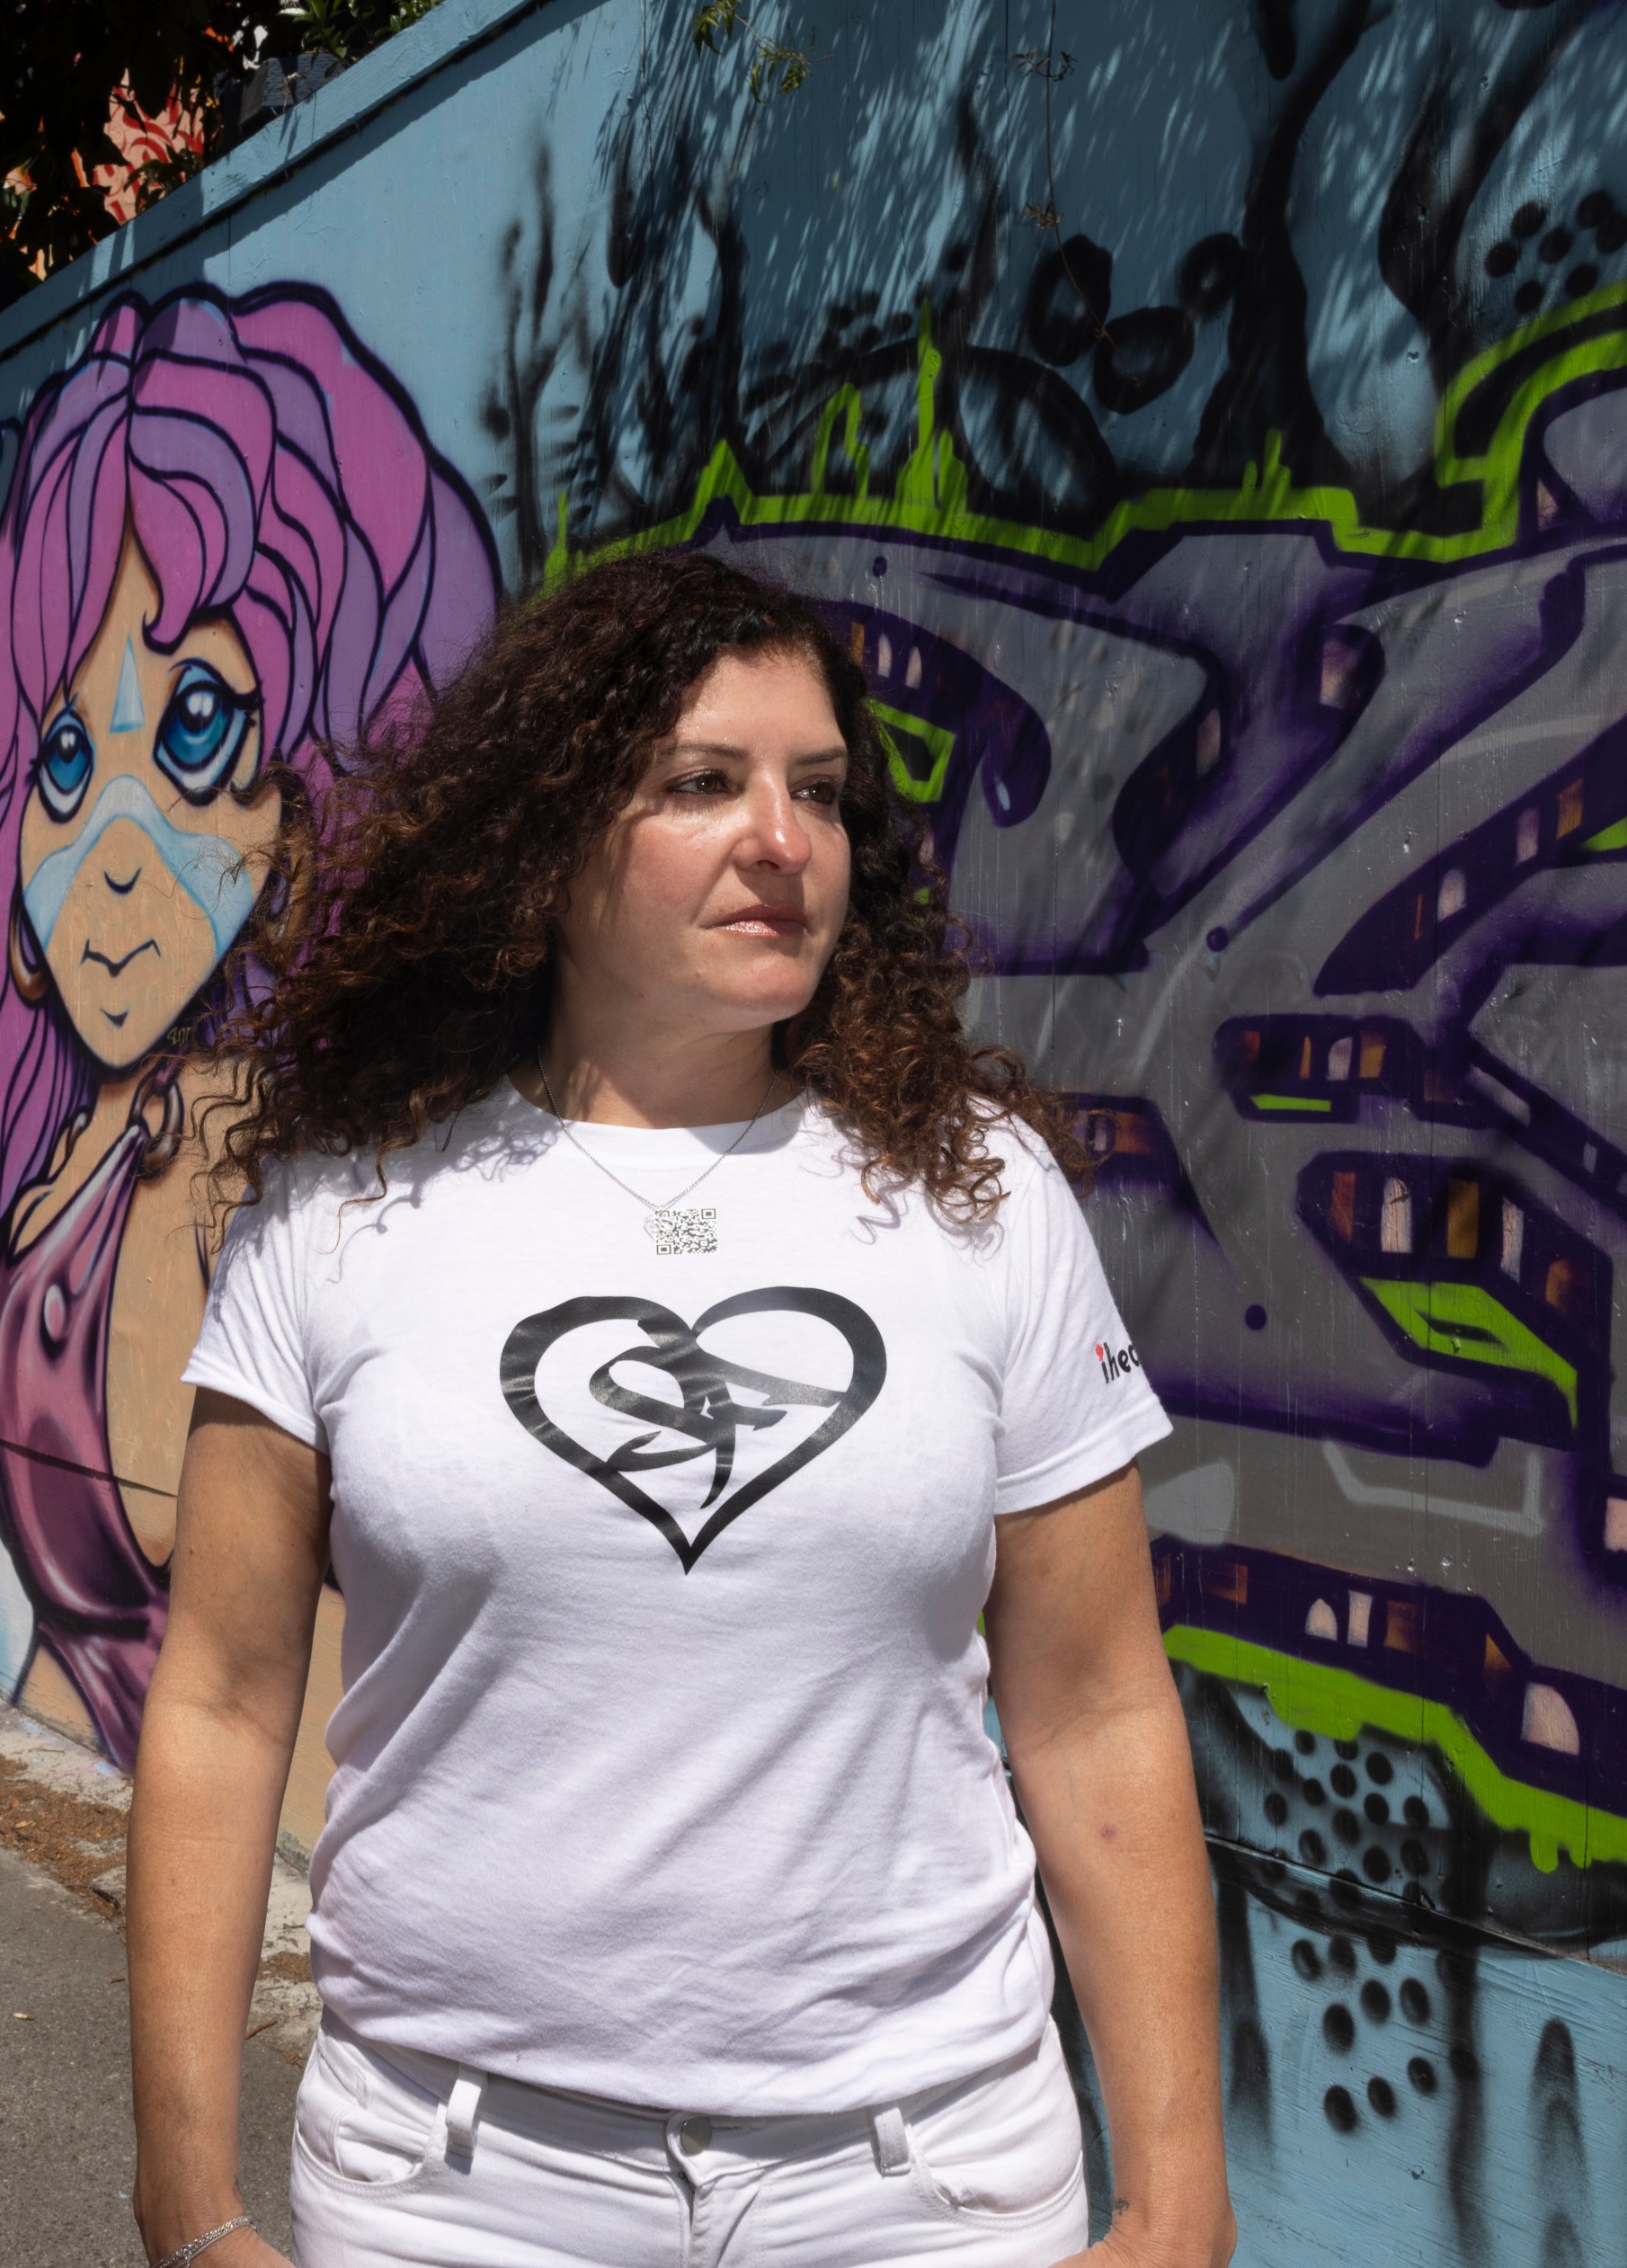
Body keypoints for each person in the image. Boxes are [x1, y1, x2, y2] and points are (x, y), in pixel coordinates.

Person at [127, 553, 1232, 2268]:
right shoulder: (347, 1212)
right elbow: (216, 1700)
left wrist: (1178, 2195)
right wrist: (188, 2206)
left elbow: (1094, 1707)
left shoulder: (981, 1197)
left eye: (818, 792)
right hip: (457, 2189)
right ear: (552, 846)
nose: (782, 839)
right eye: (704, 784)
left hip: (924, 2181)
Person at [0, 285, 493, 1762]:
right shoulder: (87, 1142)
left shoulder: (233, 1157)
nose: (112, 846)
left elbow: (284, 1685)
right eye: (59, 755)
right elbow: (82, 1649)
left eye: (195, 726)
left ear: (317, 787)